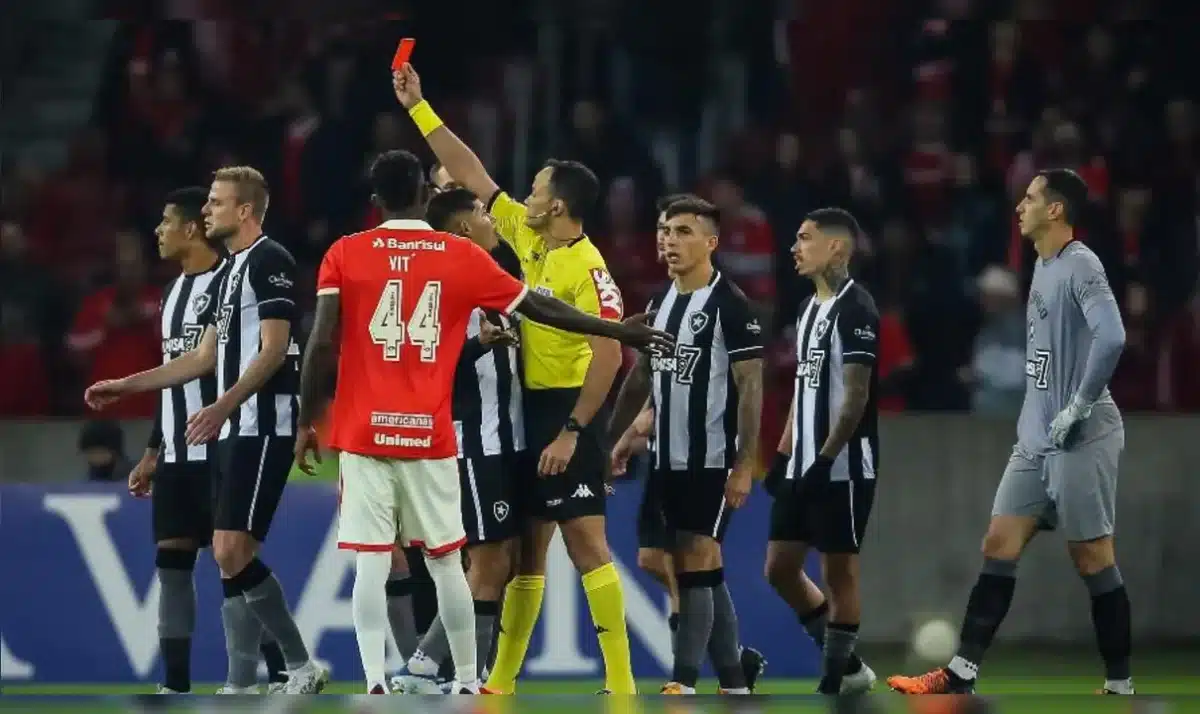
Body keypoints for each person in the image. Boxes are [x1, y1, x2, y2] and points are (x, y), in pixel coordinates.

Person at [292, 150, 671, 694]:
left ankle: (418, 678)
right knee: (472, 559)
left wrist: (309, 418)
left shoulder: (352, 252)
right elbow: (537, 311)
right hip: (455, 437)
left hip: (383, 431)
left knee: (450, 557)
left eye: (535, 190)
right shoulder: (460, 264)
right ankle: (453, 672)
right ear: (433, 203)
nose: (505, 212)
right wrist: (612, 330)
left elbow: (325, 339)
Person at [394, 63, 639, 694]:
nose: (518, 199)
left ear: (556, 206)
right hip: (528, 410)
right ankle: (500, 678)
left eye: (533, 192)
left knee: (586, 544)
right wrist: (420, 108)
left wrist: (573, 430)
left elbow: (610, 356)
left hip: (568, 411)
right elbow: (470, 170)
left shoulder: (587, 265)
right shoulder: (531, 246)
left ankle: (621, 678)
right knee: (529, 550)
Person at [85, 166, 328, 695]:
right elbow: (201, 357)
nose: (208, 211)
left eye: (216, 202)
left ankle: (296, 664)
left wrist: (222, 405)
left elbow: (274, 348)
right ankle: (257, 677)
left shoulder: (271, 261)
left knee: (229, 550)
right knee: (228, 552)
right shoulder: (230, 273)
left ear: (244, 211)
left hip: (263, 424)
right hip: (232, 426)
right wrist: (126, 385)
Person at [888, 169, 1131, 695]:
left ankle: (1121, 684)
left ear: (1057, 210)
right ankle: (960, 675)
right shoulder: (1041, 268)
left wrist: (1079, 405)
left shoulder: (1080, 262)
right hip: (1037, 436)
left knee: (1092, 556)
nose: (1019, 205)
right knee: (999, 542)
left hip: (1082, 431)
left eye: (1030, 198)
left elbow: (1112, 337)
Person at [610, 195, 768, 692]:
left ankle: (684, 677)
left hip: (711, 459)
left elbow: (750, 387)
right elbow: (643, 377)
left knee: (698, 558)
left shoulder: (731, 306)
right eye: (664, 230)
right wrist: (620, 435)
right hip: (665, 459)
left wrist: (745, 465)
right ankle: (735, 670)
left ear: (711, 242)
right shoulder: (662, 303)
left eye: (682, 231)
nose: (669, 240)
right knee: (656, 560)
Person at [390, 187, 526, 692]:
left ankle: (472, 674)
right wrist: (475, 345)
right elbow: (419, 372)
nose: (492, 220)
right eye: (483, 214)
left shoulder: (494, 278)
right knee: (487, 563)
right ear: (465, 228)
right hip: (475, 443)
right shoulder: (442, 287)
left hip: (505, 440)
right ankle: (427, 665)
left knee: (502, 564)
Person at [761, 208, 881, 695]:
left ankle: (834, 681)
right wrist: (785, 452)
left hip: (843, 467)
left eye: (805, 238)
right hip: (804, 464)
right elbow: (804, 388)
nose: (795, 247)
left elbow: (855, 397)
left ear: (836, 247)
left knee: (839, 572)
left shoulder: (858, 309)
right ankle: (850, 668)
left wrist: (826, 458)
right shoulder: (809, 309)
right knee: (780, 569)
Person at [122, 187, 226, 694]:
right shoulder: (170, 295)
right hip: (179, 454)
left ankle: (279, 671)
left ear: (192, 228)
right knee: (172, 563)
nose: (158, 232)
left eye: (166, 222)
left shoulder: (230, 283)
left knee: (237, 563)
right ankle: (176, 685)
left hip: (225, 448)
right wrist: (153, 449)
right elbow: (172, 380)